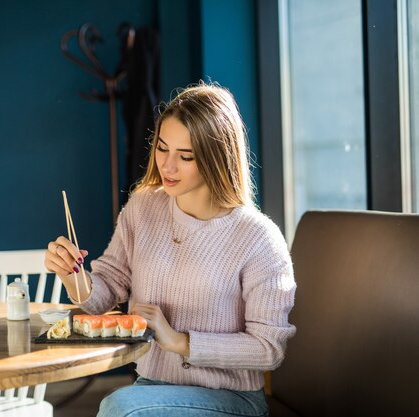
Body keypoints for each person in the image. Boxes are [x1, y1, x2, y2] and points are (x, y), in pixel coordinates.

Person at [44, 82, 296, 417]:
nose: (168, 166)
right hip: (152, 387)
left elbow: (268, 350)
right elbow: (108, 287)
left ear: (216, 157)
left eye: (186, 156)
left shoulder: (258, 238)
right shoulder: (144, 206)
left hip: (231, 399)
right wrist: (73, 275)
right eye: (162, 148)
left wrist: (178, 341)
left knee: (119, 408)